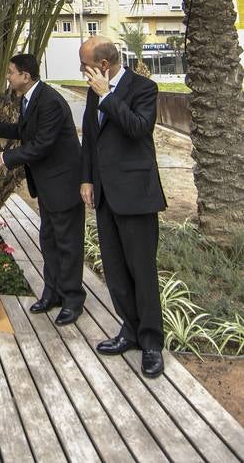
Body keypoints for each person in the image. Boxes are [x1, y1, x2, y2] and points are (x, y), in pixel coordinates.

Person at [0, 53, 86, 326]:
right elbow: (25, 131)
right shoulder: (30, 98)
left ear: (26, 75)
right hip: (47, 184)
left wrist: (5, 158)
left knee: (67, 243)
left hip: (63, 182)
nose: (8, 76)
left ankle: (72, 300)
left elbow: (42, 143)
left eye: (11, 72)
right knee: (49, 238)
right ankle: (53, 292)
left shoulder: (51, 102)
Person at [79, 36, 167, 378]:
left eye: (84, 64)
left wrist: (107, 95)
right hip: (104, 195)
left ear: (103, 65)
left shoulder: (144, 87)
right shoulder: (91, 91)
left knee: (141, 272)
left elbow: (138, 128)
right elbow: (89, 137)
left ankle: (151, 343)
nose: (80, 70)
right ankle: (129, 331)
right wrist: (86, 179)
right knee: (115, 272)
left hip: (136, 195)